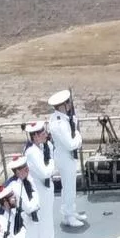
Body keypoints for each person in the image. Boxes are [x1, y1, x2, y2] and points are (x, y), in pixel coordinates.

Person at [1, 154, 49, 238]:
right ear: (16, 171)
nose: (26, 169)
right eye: (22, 168)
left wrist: (35, 201)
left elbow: (34, 198)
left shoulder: (27, 180)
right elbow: (29, 206)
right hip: (23, 221)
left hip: (31, 219)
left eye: (26, 166)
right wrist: (35, 201)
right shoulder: (15, 186)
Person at [45, 90, 86, 230]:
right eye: (67, 102)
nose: (69, 104)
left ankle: (71, 211)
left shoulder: (62, 119)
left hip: (66, 157)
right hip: (65, 157)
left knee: (70, 187)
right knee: (69, 188)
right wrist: (78, 136)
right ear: (61, 106)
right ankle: (69, 217)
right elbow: (70, 144)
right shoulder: (59, 123)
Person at [21, 128, 62, 238]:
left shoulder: (40, 147)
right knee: (42, 218)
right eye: (43, 134)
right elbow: (45, 172)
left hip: (46, 188)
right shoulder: (32, 152)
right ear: (35, 136)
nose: (46, 135)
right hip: (39, 190)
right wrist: (51, 162)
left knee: (48, 216)